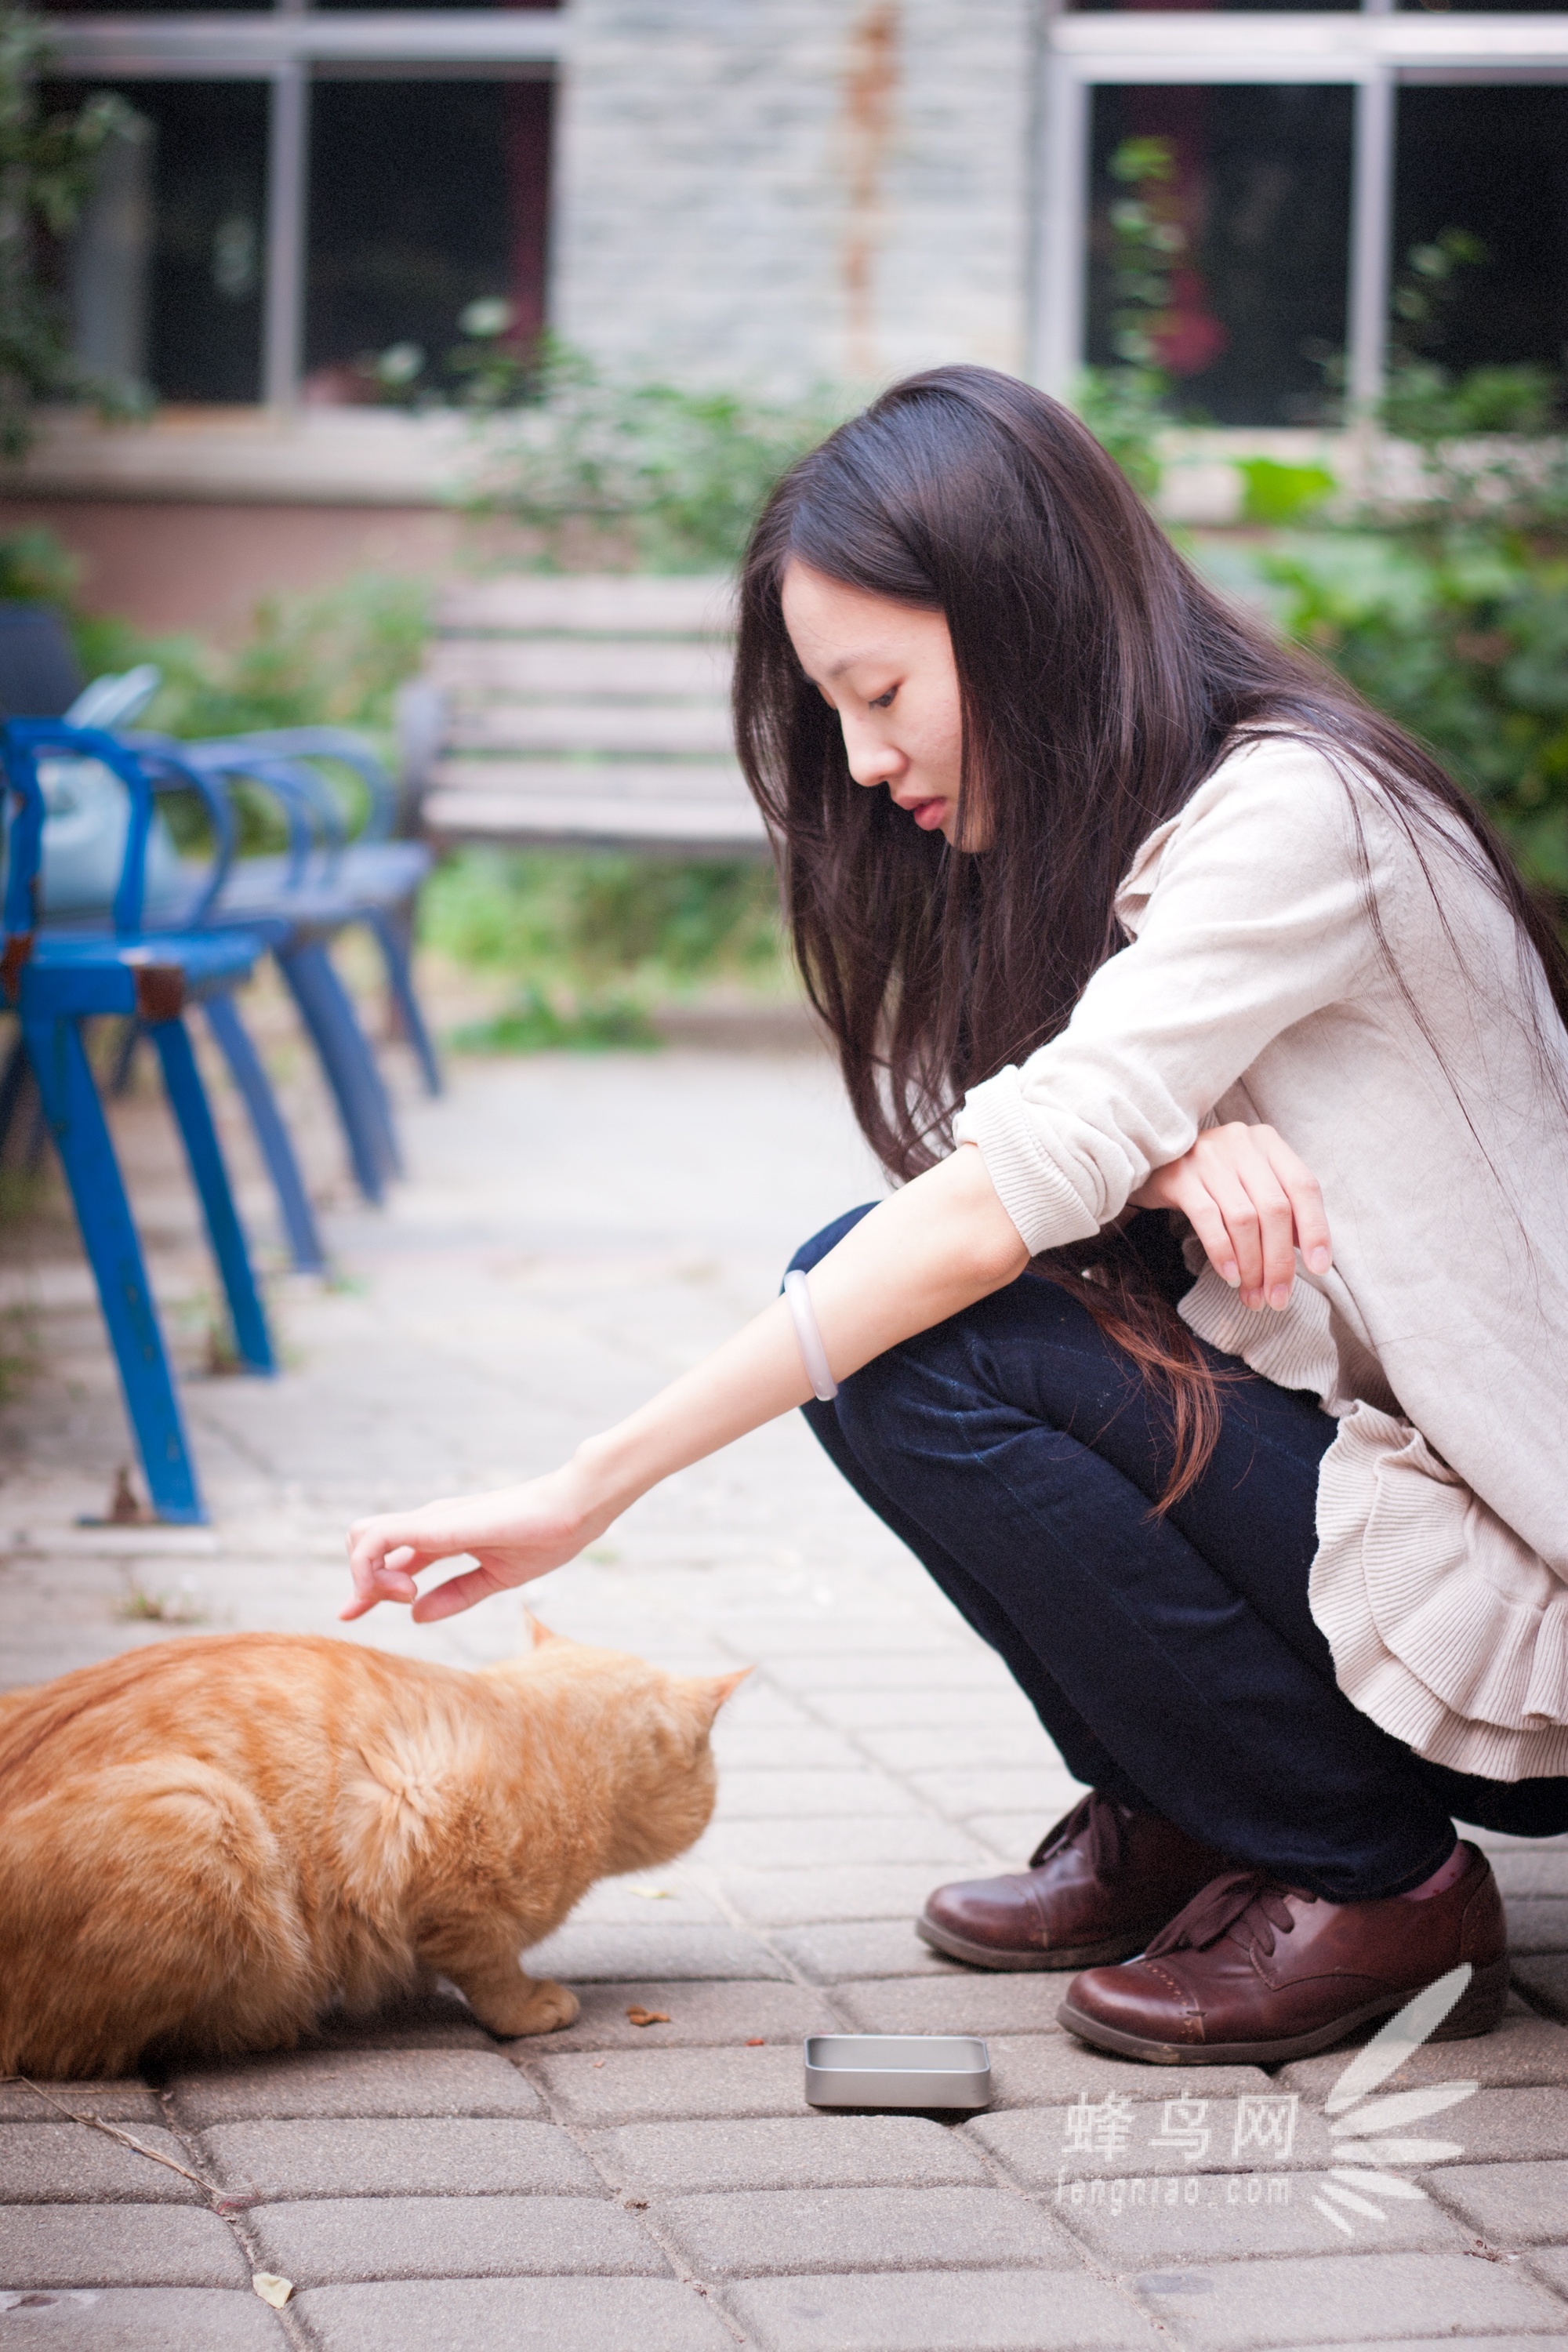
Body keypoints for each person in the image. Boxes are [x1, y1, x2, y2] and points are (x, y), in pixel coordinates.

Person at [346, 365, 1568, 2065]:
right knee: (887, 1310)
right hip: (1392, 1515)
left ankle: (1372, 1880)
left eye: (880, 691)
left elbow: (972, 1222)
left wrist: (583, 1488)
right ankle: (1192, 1805)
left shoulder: (1297, 813)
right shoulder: (1171, 818)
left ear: (1026, 616)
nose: (860, 761)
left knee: (907, 1337)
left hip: (1520, 1585)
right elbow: (1023, 1151)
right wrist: (1153, 1152)